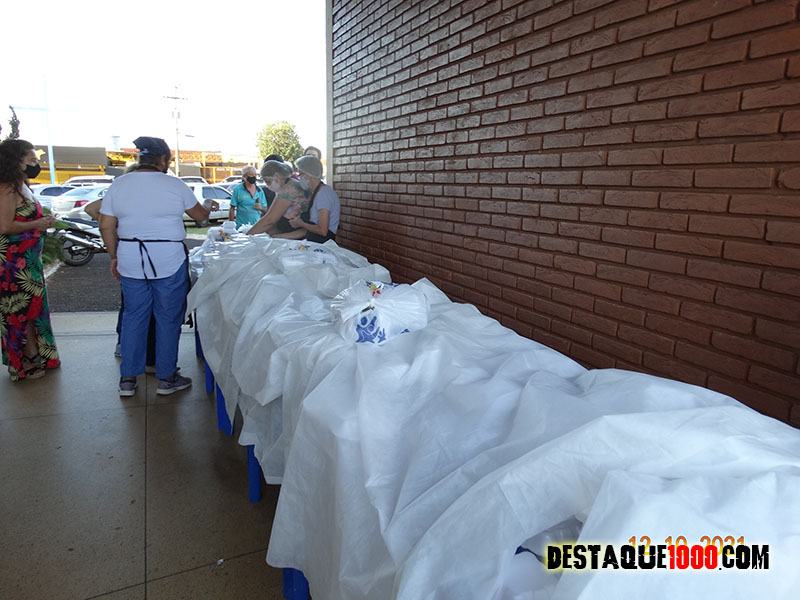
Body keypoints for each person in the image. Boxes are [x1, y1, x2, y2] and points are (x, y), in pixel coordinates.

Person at [99, 136, 218, 397]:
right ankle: (167, 378)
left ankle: (127, 380)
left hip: (130, 257)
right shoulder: (174, 185)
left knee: (133, 317)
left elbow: (106, 225)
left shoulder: (119, 185)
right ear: (163, 159)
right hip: (168, 259)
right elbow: (201, 217)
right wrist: (209, 205)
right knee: (167, 319)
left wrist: (114, 256)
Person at [0, 139, 60, 381]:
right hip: (13, 263)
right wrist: (37, 223)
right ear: (16, 161)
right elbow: (4, 226)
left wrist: (42, 222)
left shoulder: (22, 185)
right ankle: (28, 358)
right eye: (32, 160)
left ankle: (38, 355)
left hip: (29, 259)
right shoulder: (7, 189)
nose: (36, 164)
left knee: (34, 307)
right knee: (22, 309)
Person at [246, 160, 309, 236]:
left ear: (277, 176)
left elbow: (269, 220)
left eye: (268, 182)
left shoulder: (288, 189)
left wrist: (247, 236)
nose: (268, 186)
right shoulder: (289, 185)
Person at [286, 155, 340, 243]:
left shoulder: (323, 194)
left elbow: (322, 231)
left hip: (322, 244)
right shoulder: (317, 192)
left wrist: (300, 224)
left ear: (309, 175)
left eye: (300, 174)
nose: (299, 178)